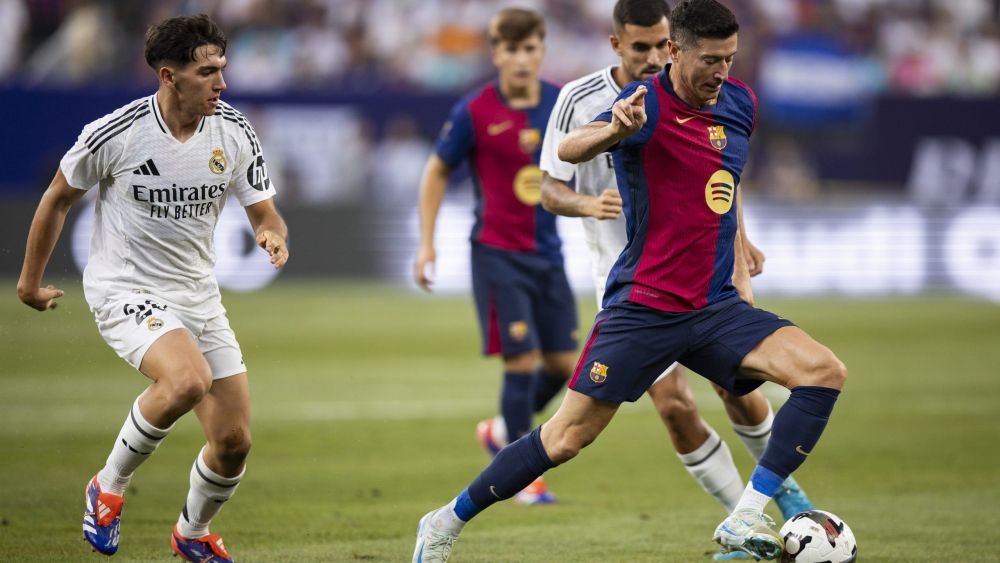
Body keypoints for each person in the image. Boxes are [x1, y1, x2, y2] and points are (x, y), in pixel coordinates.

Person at [411, 1, 847, 561]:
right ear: (676, 51)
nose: (721, 72)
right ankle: (445, 521)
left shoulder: (740, 103)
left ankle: (745, 517)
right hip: (645, 307)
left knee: (823, 372)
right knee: (567, 438)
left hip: (714, 306)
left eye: (730, 59)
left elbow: (724, 179)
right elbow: (568, 149)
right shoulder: (642, 105)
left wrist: (740, 239)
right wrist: (614, 130)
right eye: (710, 60)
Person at [537, 1, 812, 559]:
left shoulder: (695, 94)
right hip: (630, 278)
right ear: (617, 45)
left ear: (674, 45)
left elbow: (716, 173)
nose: (650, 57)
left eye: (658, 45)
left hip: (698, 262)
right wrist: (590, 205)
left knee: (738, 388)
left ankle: (791, 503)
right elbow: (549, 186)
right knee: (674, 405)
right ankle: (746, 524)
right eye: (638, 47)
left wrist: (741, 234)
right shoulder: (581, 100)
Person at [16, 14, 287, 563]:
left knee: (234, 442)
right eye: (208, 72)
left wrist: (270, 234)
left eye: (223, 69)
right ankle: (107, 486)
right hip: (126, 288)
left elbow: (266, 213)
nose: (222, 82)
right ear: (170, 76)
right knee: (187, 380)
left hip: (198, 294)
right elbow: (56, 198)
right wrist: (29, 283)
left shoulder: (234, 130)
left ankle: (192, 534)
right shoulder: (115, 133)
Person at [413, 7, 576, 505]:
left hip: (548, 253)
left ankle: (501, 429)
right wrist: (427, 242)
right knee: (521, 362)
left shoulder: (561, 104)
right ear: (496, 53)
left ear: (541, 51)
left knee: (564, 364)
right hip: (497, 254)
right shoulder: (475, 110)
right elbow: (437, 170)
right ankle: (522, 473)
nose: (522, 59)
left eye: (531, 49)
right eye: (512, 49)